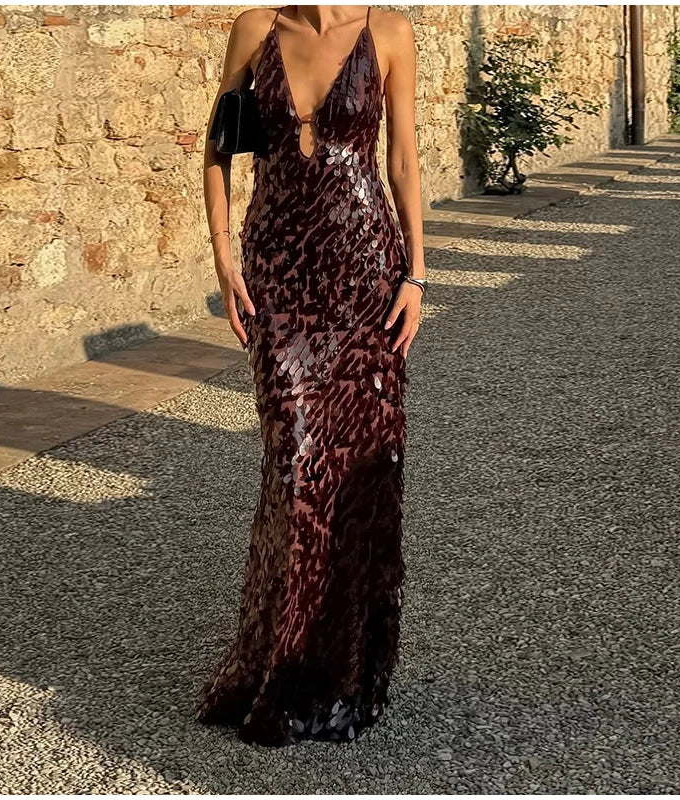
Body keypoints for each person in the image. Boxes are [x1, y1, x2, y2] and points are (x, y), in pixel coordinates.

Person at [196, 4, 426, 746]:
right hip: (277, 269)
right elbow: (217, 148)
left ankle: (341, 669)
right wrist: (225, 258)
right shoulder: (254, 27)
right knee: (293, 462)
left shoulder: (389, 31)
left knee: (363, 465)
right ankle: (279, 661)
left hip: (365, 268)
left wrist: (416, 274)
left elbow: (403, 157)